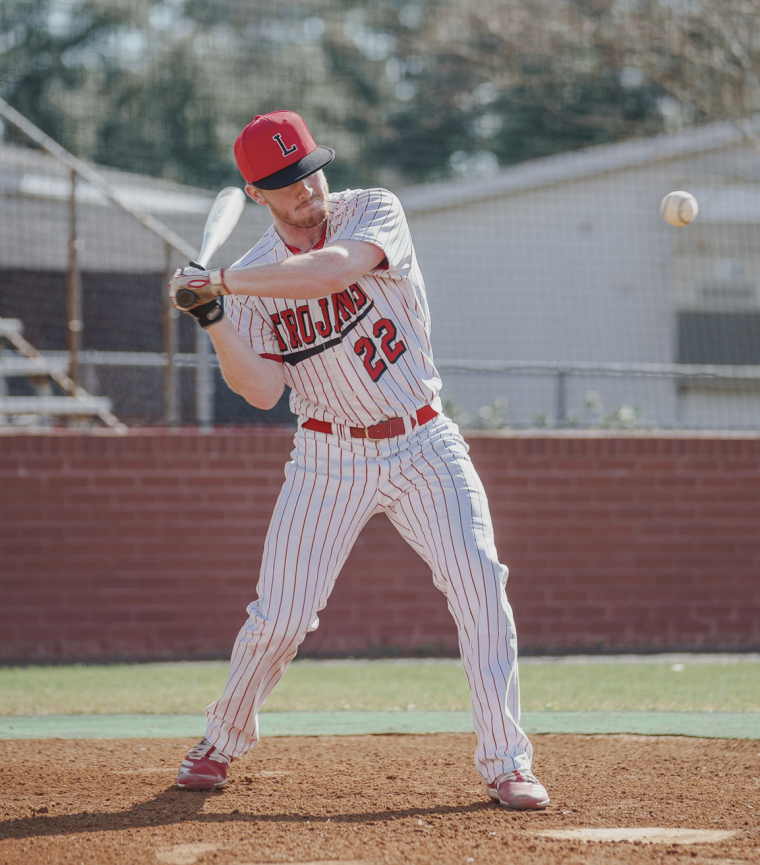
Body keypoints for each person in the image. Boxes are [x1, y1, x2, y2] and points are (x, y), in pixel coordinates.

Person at [167, 110, 548, 811]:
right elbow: (258, 389)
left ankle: (506, 760)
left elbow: (332, 270)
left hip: (424, 439)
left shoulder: (373, 210)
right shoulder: (245, 281)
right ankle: (219, 740)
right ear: (257, 193)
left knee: (480, 584)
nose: (306, 188)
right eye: (284, 181)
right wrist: (212, 316)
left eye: (309, 168)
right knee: (280, 617)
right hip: (326, 455)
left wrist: (218, 281)